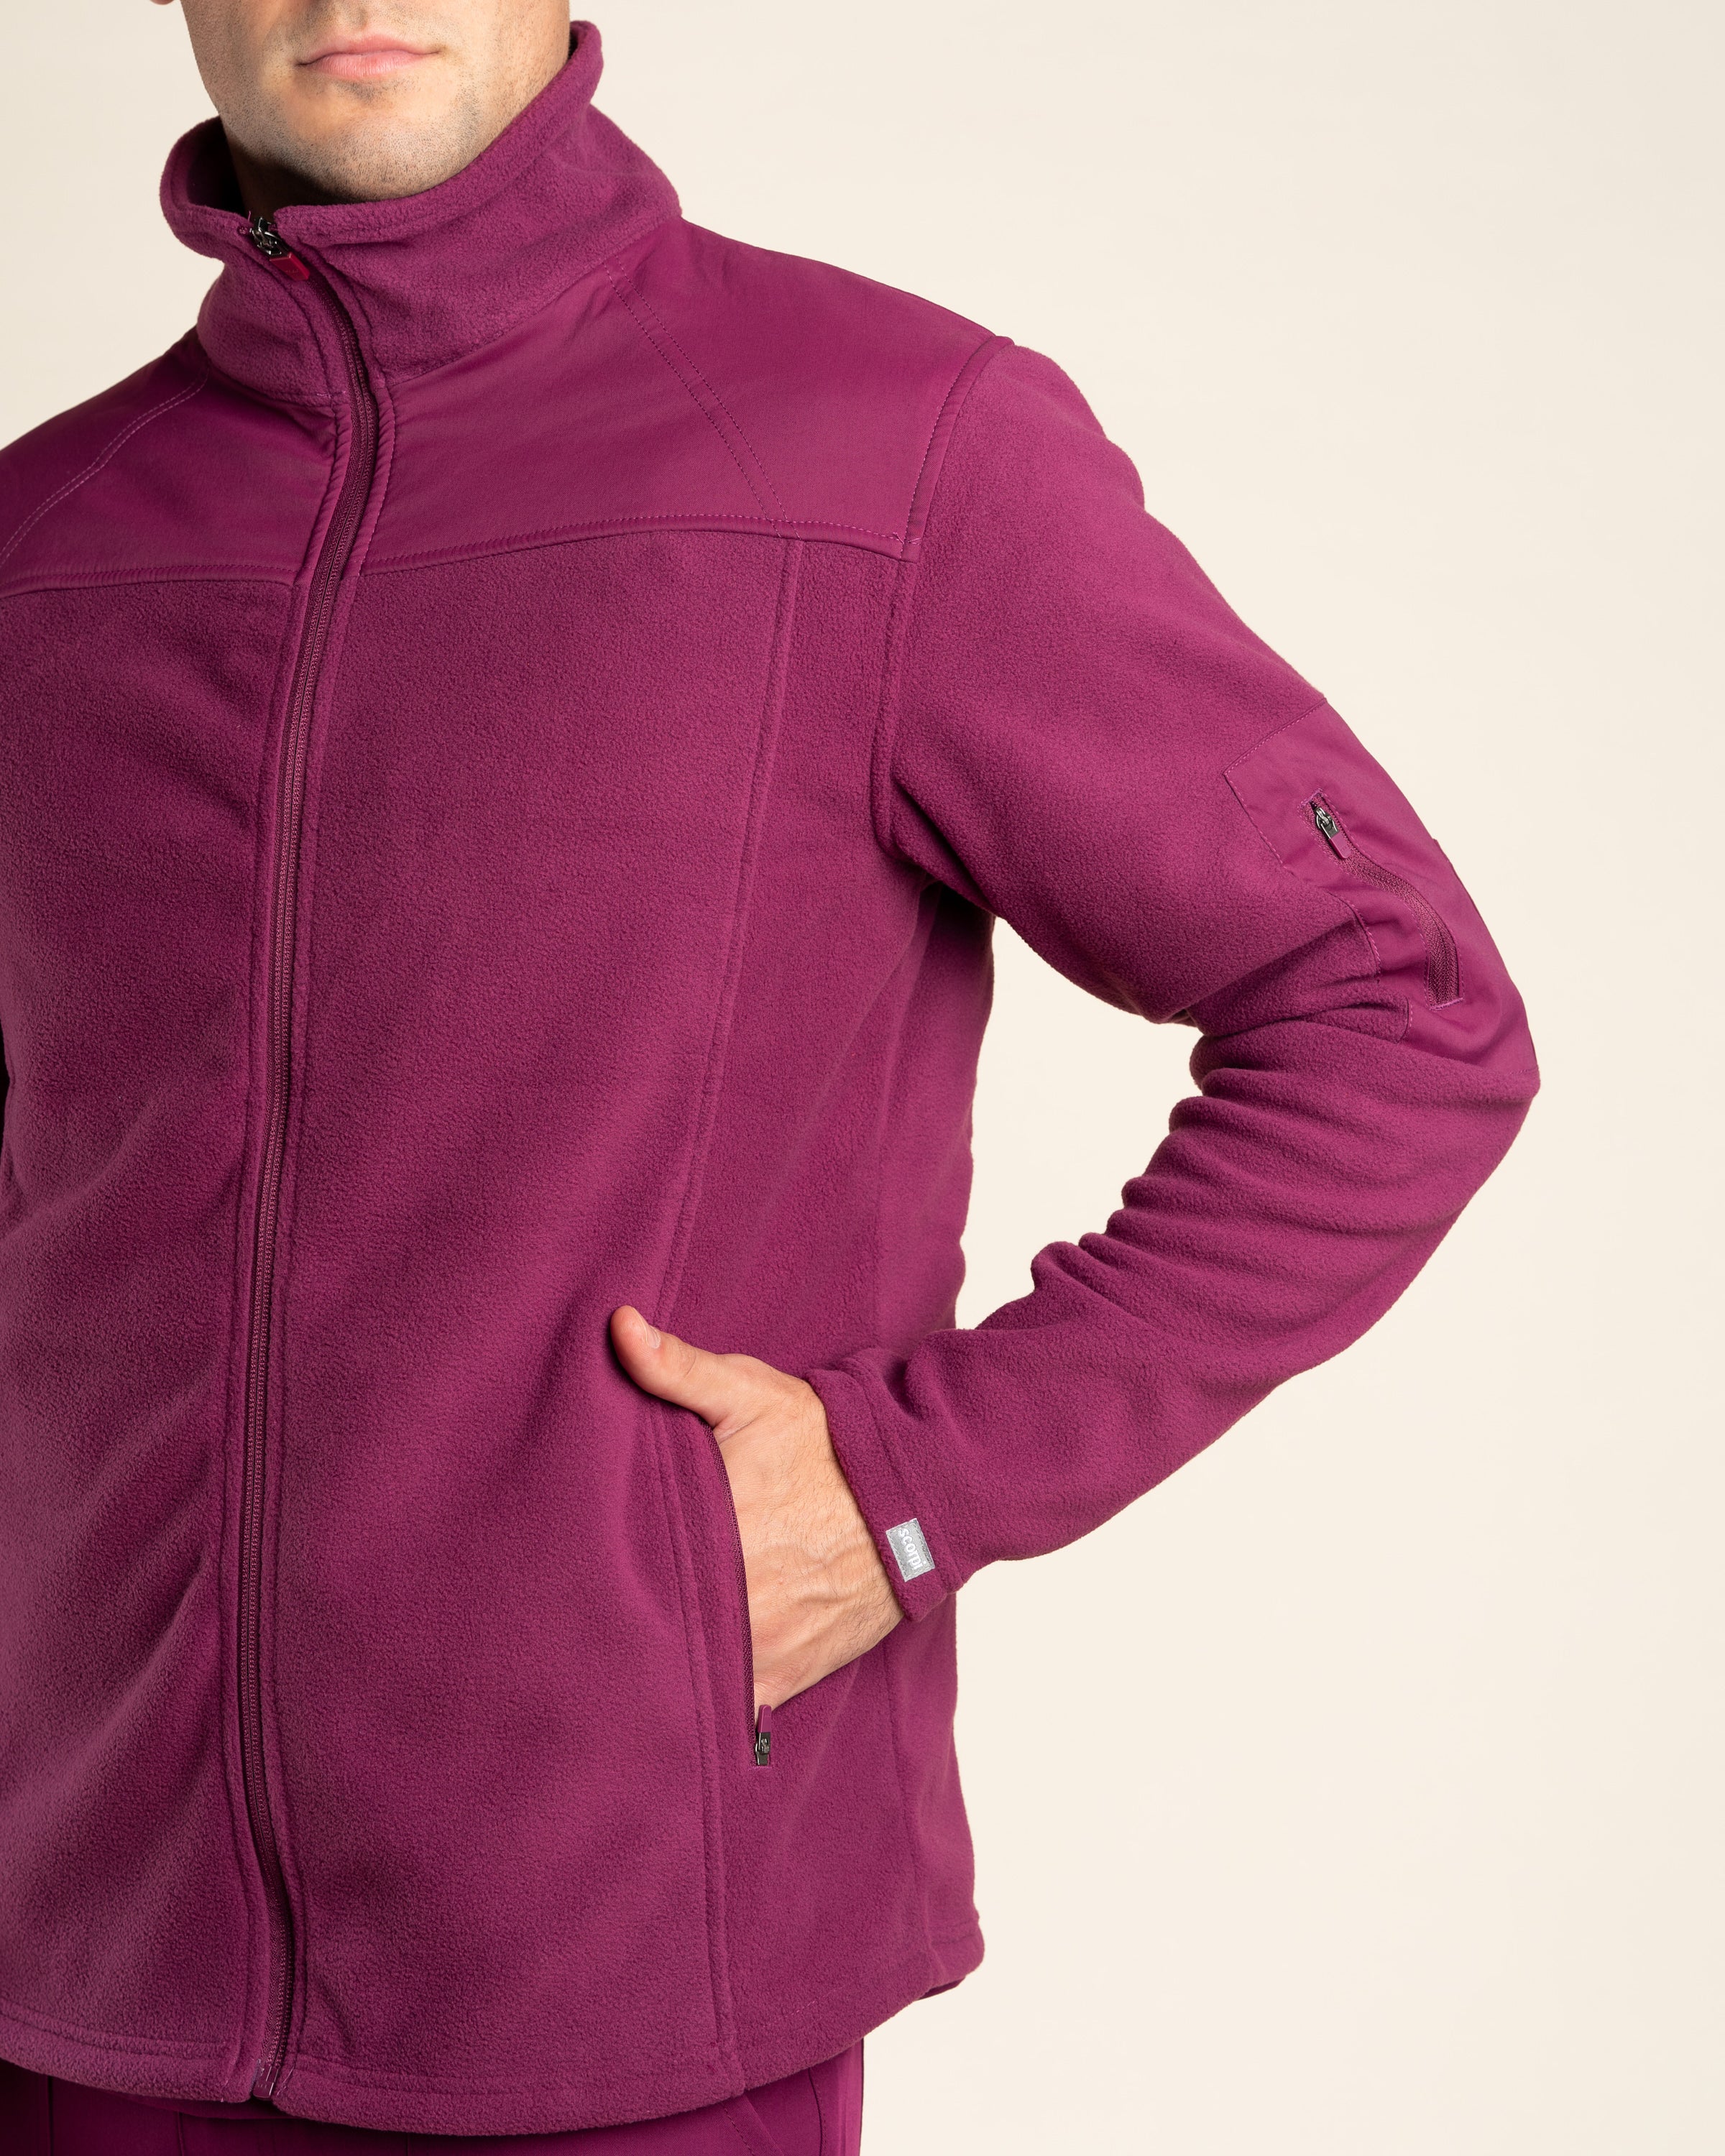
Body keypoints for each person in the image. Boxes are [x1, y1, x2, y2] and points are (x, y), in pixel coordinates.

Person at [0, 4, 1540, 2150]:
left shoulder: (887, 452)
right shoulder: (44, 538)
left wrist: (920, 1482)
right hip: (77, 1973)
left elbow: (1398, 1009)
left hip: (635, 1959)